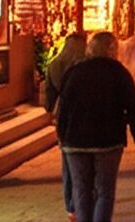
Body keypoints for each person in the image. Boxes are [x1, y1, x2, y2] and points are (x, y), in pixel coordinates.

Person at [57, 32, 135, 222]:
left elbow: (62, 108)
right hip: (108, 141)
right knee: (104, 191)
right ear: (112, 50)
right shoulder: (119, 72)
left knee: (81, 190)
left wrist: (62, 136)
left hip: (75, 142)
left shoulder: (74, 72)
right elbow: (132, 105)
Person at [45, 33, 87, 222]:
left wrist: (51, 114)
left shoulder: (54, 64)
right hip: (83, 114)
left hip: (62, 114)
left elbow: (49, 98)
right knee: (84, 162)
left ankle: (71, 206)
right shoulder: (85, 66)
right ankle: (84, 202)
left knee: (67, 161)